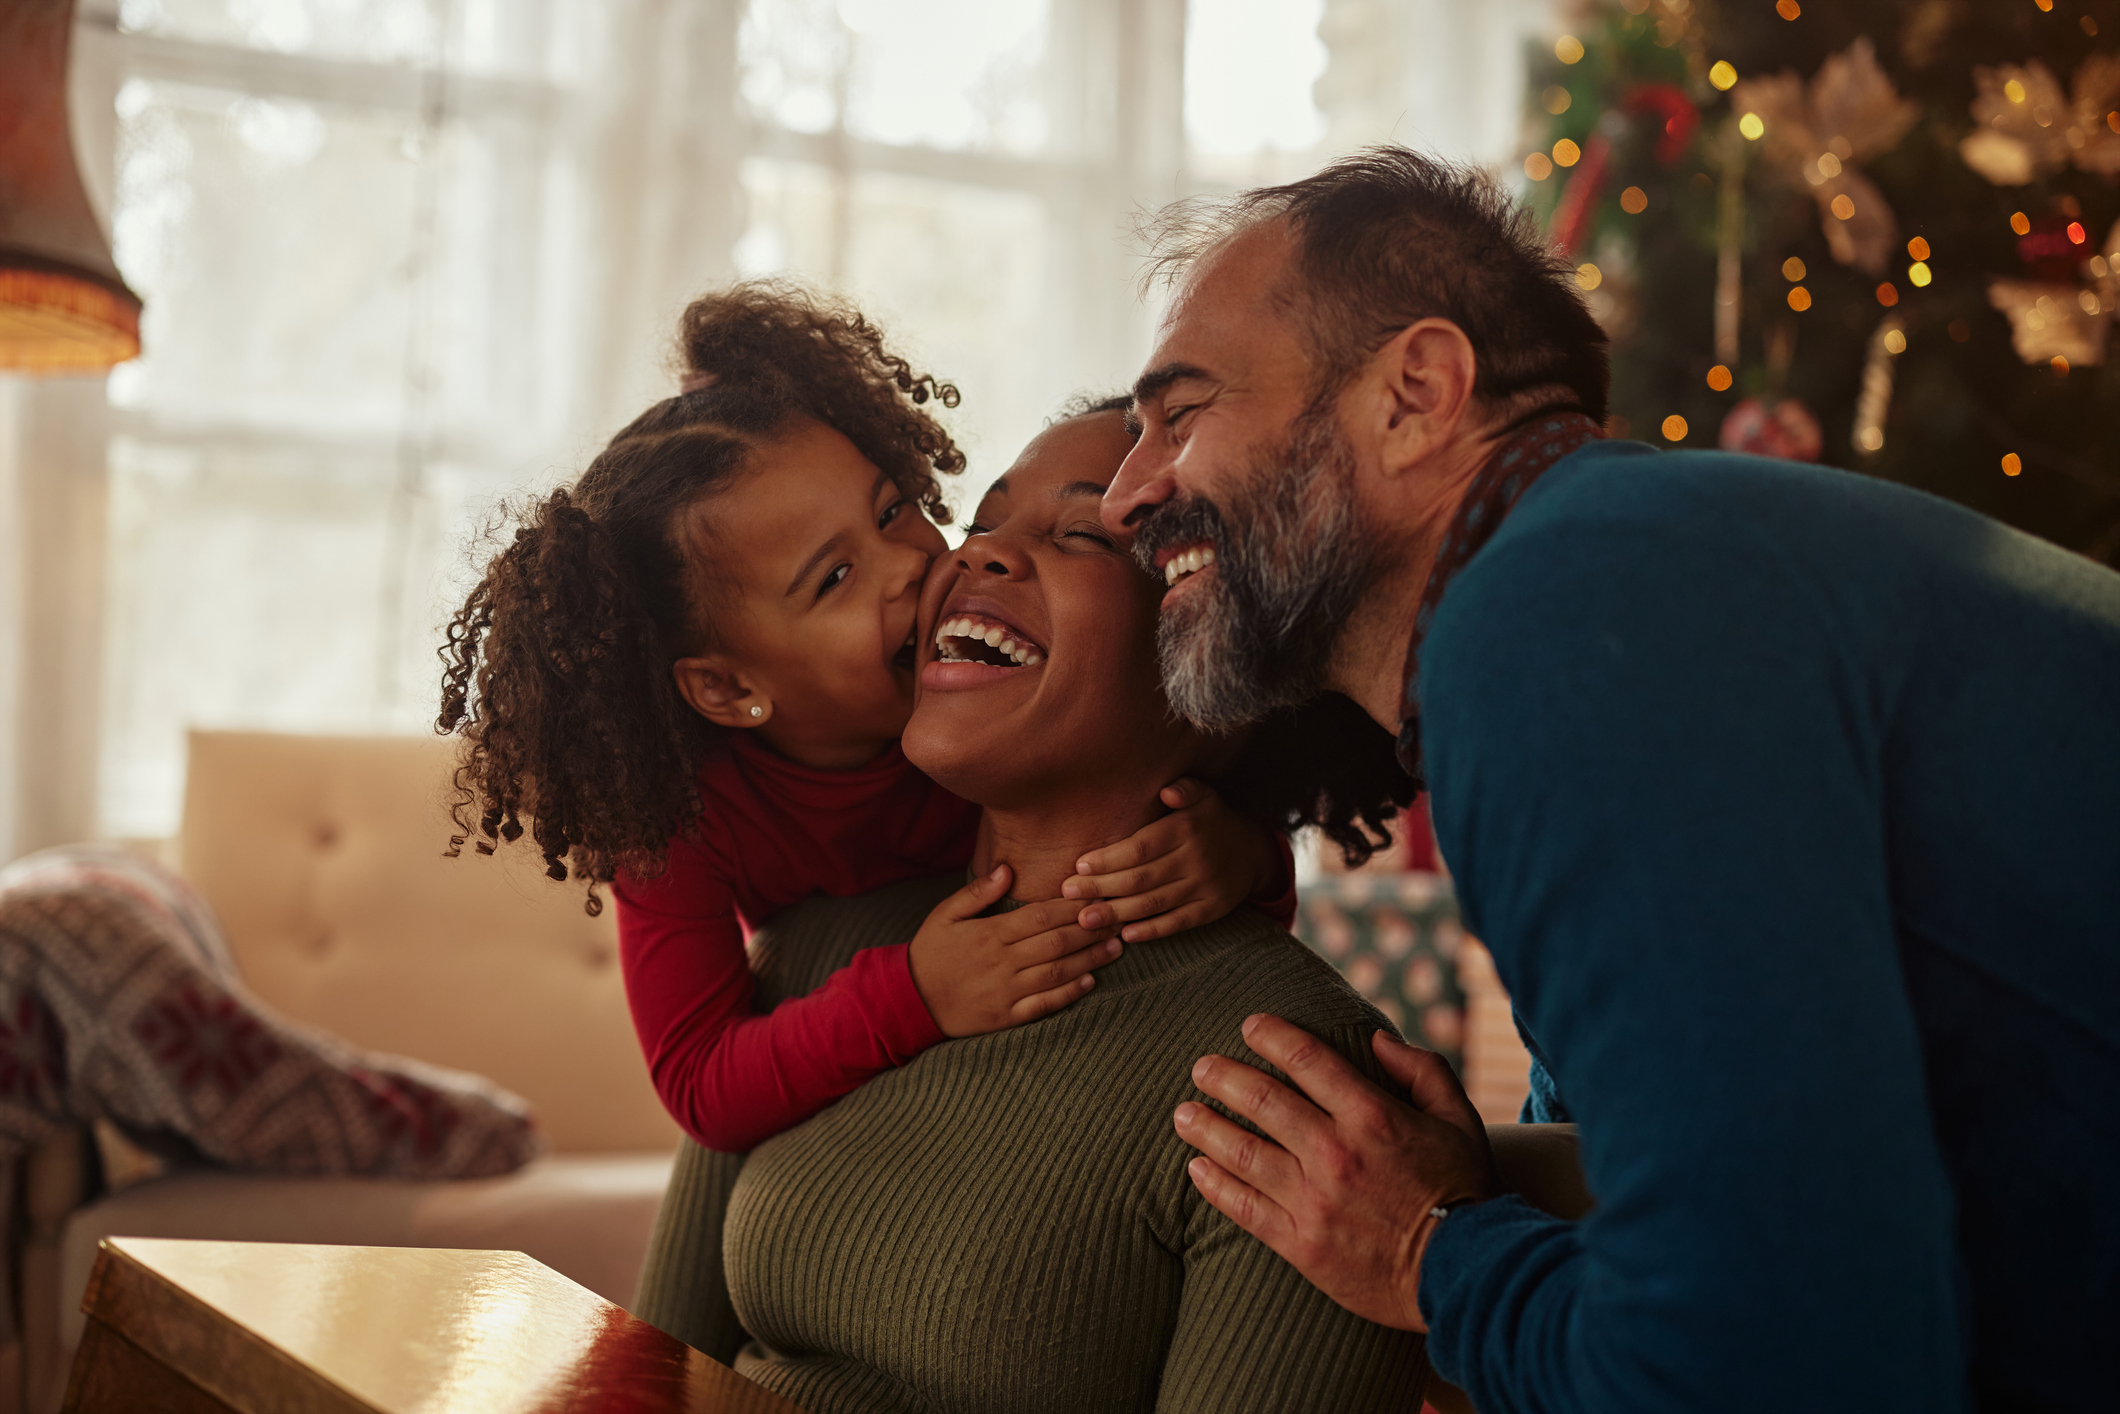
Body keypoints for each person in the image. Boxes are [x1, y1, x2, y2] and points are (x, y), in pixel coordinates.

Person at [1100, 147, 2120, 1412]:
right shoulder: (1611, 569)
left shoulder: (1563, 614)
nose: (1124, 493)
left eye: (1180, 411)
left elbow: (1780, 1362)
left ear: (1413, 391)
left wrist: (1430, 1255)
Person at [631, 399, 1428, 1414]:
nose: (968, 559)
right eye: (981, 521)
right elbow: (642, 1379)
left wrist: (1249, 856)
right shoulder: (813, 949)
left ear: (1217, 667)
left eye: (1081, 535)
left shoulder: (1300, 1097)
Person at [436, 283, 1294, 1154]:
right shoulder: (682, 820)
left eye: (892, 512)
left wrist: (1243, 854)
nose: (911, 567)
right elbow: (700, 1082)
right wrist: (913, 992)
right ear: (730, 690)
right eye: (833, 579)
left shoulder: (1003, 709)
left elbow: (1179, 768)